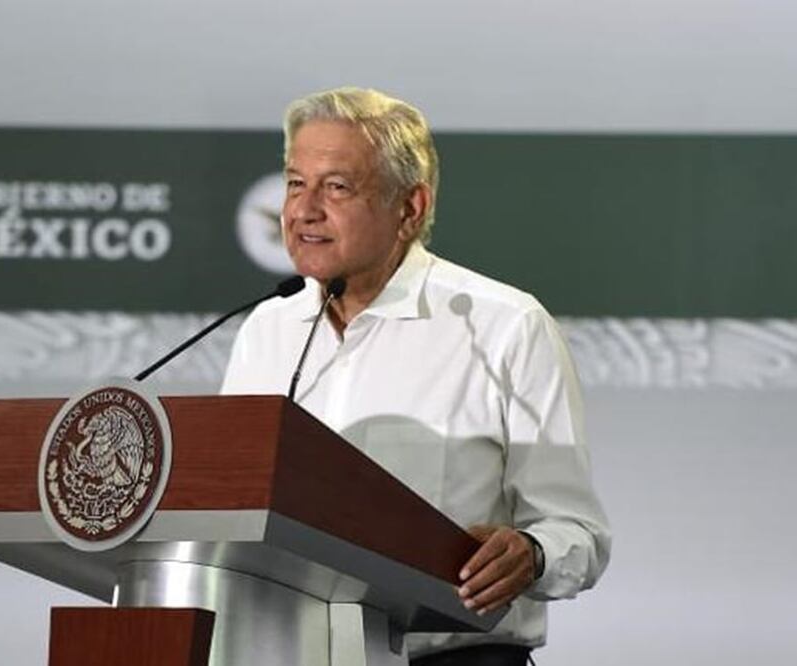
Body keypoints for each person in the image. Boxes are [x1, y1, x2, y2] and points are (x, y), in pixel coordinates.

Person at [220, 87, 611, 666]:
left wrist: (531, 553)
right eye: (296, 183)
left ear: (410, 207)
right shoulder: (267, 328)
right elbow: (229, 507)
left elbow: (578, 531)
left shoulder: (505, 325)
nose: (303, 210)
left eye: (337, 187)